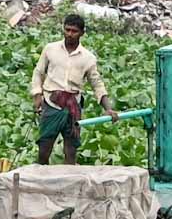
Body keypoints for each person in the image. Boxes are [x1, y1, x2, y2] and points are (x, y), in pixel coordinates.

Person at [31, 14, 119, 165]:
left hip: (73, 106)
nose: (70, 34)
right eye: (67, 30)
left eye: (74, 31)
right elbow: (38, 73)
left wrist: (108, 108)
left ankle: (68, 183)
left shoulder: (88, 58)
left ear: (82, 33)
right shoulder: (50, 49)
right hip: (51, 103)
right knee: (44, 148)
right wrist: (37, 95)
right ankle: (41, 182)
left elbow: (97, 84)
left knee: (71, 150)